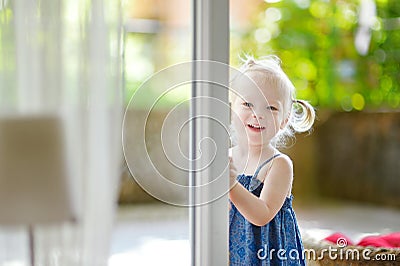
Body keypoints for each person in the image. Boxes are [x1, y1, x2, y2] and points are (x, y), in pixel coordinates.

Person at [229, 55, 315, 265]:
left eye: (271, 108)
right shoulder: (227, 157)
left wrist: (230, 184)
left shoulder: (279, 164)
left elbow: (262, 214)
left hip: (268, 254)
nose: (258, 114)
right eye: (248, 104)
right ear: (232, 108)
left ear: (284, 121)